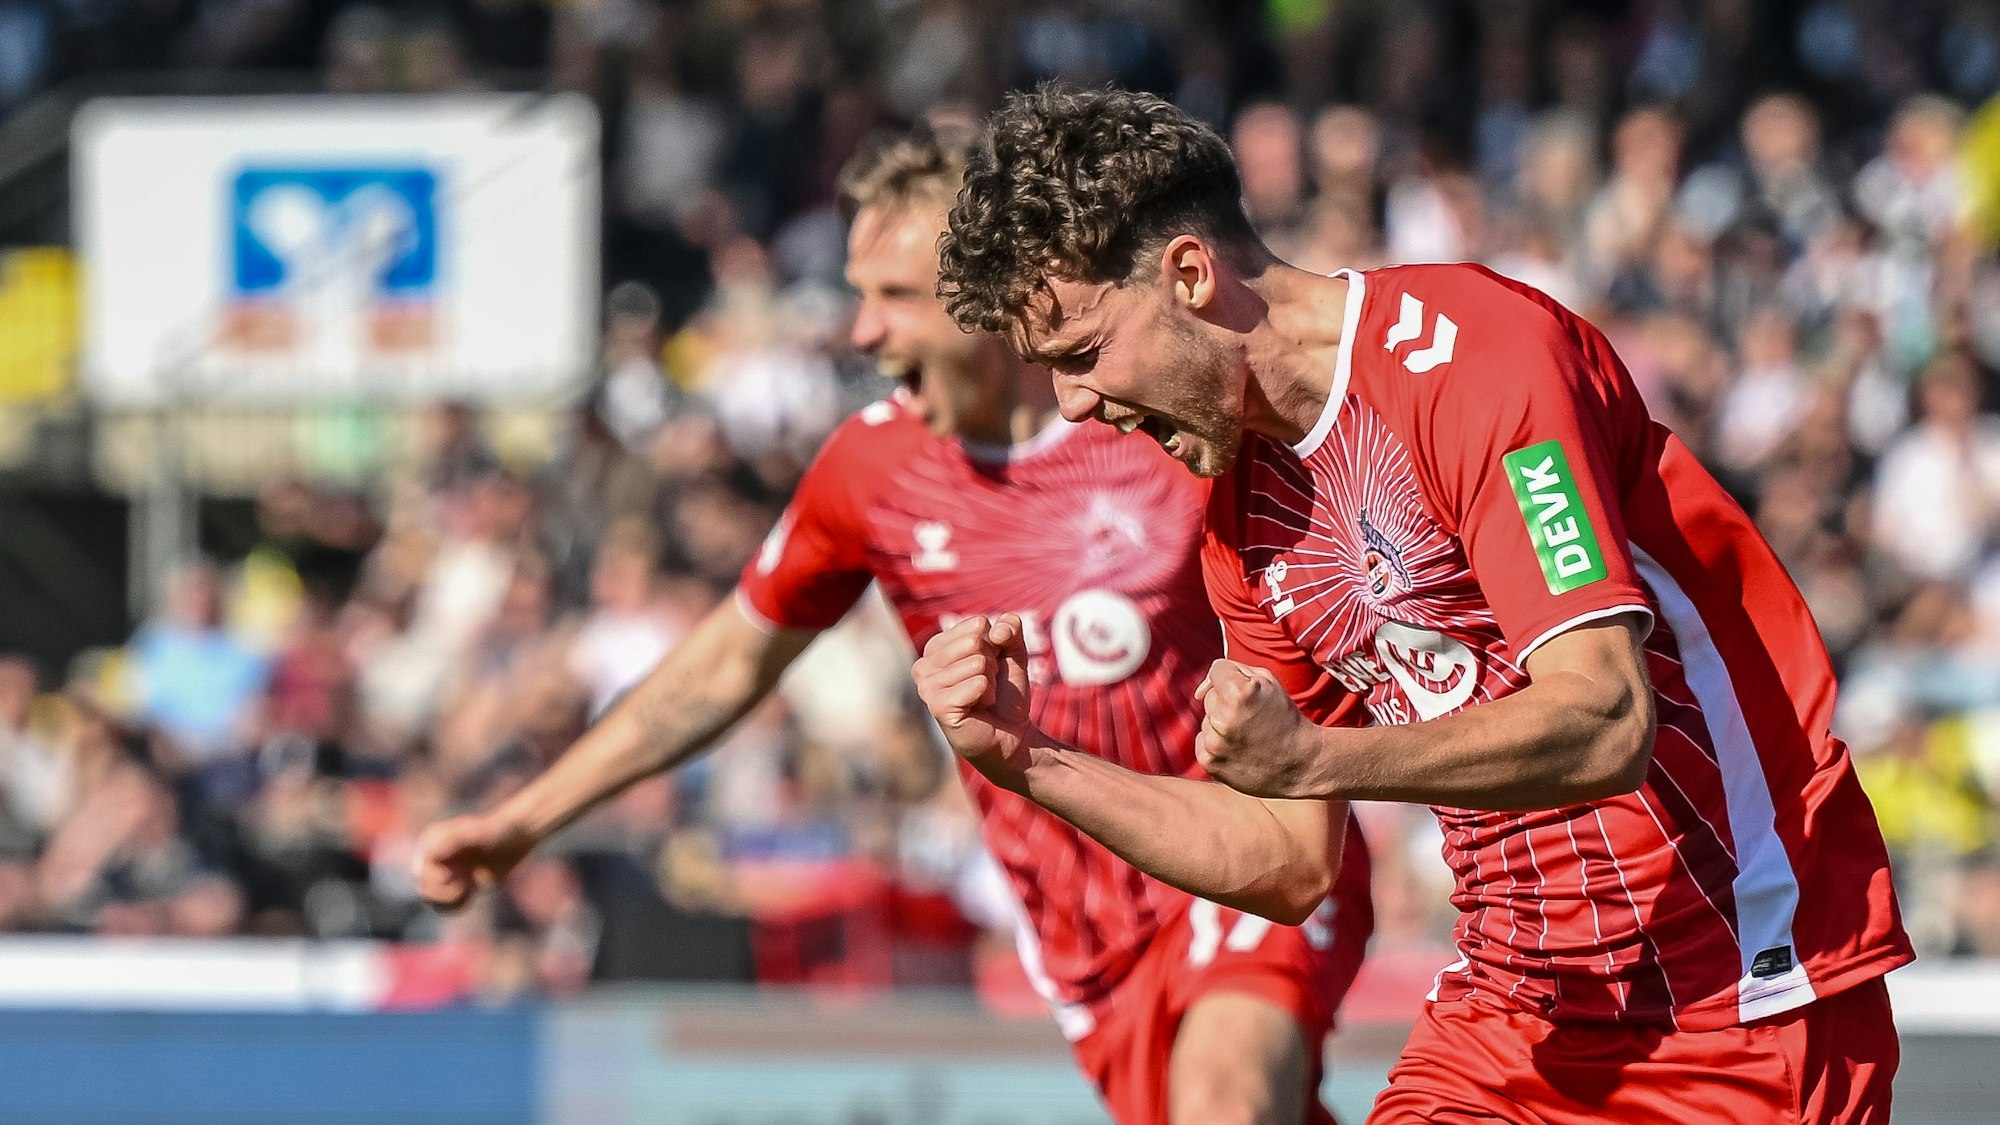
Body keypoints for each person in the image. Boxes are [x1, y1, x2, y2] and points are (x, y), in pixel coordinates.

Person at [922, 84, 1912, 1125]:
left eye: (1081, 355)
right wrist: (1028, 759)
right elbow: (1285, 860)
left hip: (1742, 998)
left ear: (1187, 274)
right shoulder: (1237, 516)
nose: (1075, 406)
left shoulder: (1470, 356)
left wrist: (1317, 757)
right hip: (1509, 1013)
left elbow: (1608, 717)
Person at [413, 130, 1373, 1125]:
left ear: (998, 295)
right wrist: (520, 820)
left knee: (1224, 1101)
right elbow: (723, 668)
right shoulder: (870, 473)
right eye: (857, 294)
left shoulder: (1160, 422)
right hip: (1083, 929)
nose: (863, 332)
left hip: (1245, 854)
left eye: (898, 298)